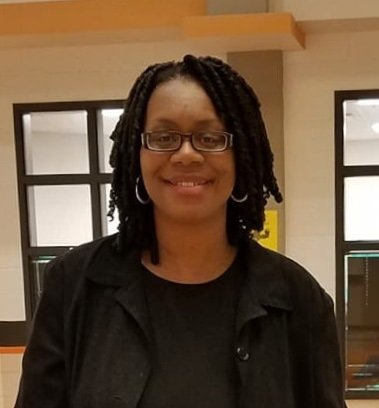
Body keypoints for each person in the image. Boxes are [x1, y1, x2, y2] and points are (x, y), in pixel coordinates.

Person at [15, 55, 346, 408]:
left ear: (241, 153)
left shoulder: (298, 300)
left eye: (210, 137)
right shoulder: (73, 286)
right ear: (136, 154)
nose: (186, 154)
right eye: (163, 136)